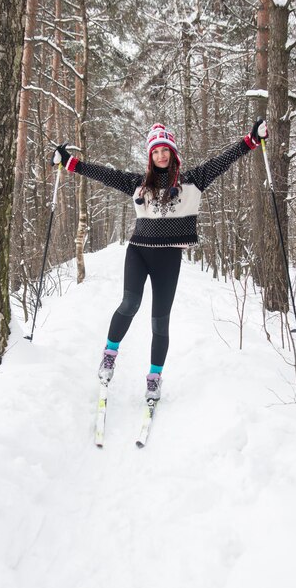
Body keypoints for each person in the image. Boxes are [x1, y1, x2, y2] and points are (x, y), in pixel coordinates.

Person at [52, 119, 268, 402]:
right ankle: (109, 355)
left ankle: (154, 377)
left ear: (173, 152)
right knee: (130, 303)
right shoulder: (138, 185)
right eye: (155, 152)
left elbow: (224, 160)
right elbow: (103, 174)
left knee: (159, 321)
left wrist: (251, 140)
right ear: (150, 157)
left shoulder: (193, 181)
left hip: (168, 258)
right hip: (139, 252)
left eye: (165, 150)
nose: (161, 155)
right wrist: (70, 163)